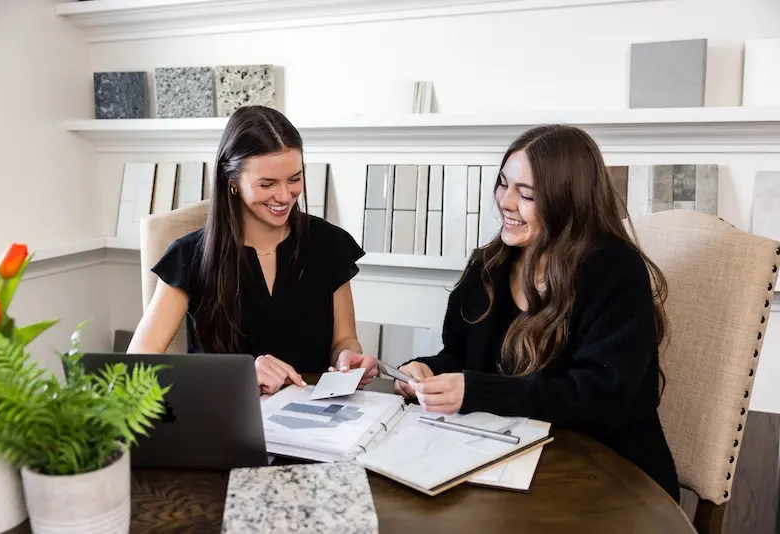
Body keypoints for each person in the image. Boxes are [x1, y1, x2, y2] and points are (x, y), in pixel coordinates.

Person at [395, 124, 680, 502]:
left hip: (609, 476)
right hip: (509, 459)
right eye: (503, 184)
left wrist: (476, 391)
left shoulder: (615, 272)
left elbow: (599, 399)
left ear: (568, 203)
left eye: (526, 193)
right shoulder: (490, 265)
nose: (506, 202)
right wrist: (427, 372)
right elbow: (462, 358)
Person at [127, 105, 378, 394]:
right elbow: (137, 366)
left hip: (316, 412)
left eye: (294, 179)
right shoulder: (190, 256)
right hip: (226, 412)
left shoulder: (328, 244)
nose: (284, 196)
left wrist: (347, 356)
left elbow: (344, 340)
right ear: (232, 181)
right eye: (267, 184)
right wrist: (239, 375)